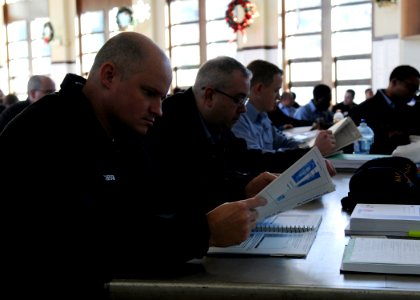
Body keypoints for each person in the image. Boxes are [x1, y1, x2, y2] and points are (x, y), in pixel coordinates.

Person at [0, 33, 268, 300]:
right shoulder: (47, 132)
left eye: (161, 98)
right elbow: (95, 244)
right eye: (149, 93)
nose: (158, 109)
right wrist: (203, 232)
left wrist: (241, 188)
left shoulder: (122, 131)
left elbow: (168, 191)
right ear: (109, 76)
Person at [146, 56, 335, 213]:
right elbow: (185, 189)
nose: (243, 110)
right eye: (238, 100)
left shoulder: (216, 121)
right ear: (210, 96)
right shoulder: (170, 121)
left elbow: (247, 158)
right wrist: (243, 187)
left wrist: (309, 159)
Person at [231, 59, 336, 157]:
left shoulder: (263, 116)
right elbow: (258, 159)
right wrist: (311, 151)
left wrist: (311, 145)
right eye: (276, 90)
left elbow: (284, 142)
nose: (279, 97)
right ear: (259, 89)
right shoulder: (238, 119)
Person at [348, 64, 420, 154]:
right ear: (394, 82)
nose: (413, 94)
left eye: (416, 90)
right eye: (411, 88)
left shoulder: (408, 110)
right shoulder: (363, 110)